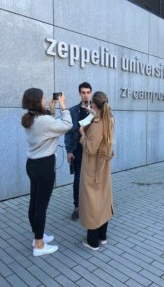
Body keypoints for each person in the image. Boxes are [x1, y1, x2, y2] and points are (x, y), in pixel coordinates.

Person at [21, 88, 72, 257]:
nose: (45, 100)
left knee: (34, 203)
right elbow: (67, 125)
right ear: (37, 101)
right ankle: (39, 246)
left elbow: (46, 129)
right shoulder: (43, 121)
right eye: (43, 98)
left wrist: (51, 110)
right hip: (44, 167)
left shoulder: (30, 119)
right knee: (41, 207)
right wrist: (63, 106)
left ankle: (38, 236)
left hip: (32, 165)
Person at [79, 91, 114, 250]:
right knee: (103, 199)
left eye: (92, 102)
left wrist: (82, 135)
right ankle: (102, 236)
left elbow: (91, 148)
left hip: (92, 168)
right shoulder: (109, 119)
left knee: (92, 201)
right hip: (103, 167)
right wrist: (93, 115)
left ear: (95, 104)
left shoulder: (97, 124)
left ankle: (92, 241)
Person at [64, 82, 92, 221]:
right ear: (79, 93)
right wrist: (69, 150)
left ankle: (91, 205)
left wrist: (91, 111)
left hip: (93, 150)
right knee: (78, 179)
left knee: (92, 179)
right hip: (78, 149)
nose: (85, 95)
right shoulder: (73, 110)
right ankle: (77, 207)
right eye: (83, 92)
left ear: (91, 93)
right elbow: (68, 132)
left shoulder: (96, 109)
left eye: (88, 92)